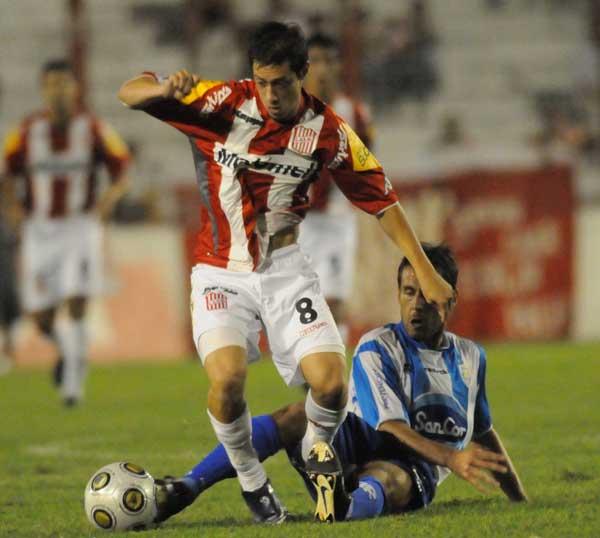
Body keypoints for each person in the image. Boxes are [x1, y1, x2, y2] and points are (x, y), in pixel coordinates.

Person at [118, 21, 454, 524]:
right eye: (262, 82)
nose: (271, 94)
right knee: (228, 380)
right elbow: (129, 92)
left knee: (332, 384)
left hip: (285, 271)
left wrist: (425, 270)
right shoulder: (221, 102)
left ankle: (317, 449)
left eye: (282, 83)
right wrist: (163, 90)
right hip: (220, 272)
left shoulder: (329, 131)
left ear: (303, 74)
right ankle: (253, 482)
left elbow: (383, 201)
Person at [153, 243, 527, 524]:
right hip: (361, 441)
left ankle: (340, 506)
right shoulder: (378, 347)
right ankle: (188, 486)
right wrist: (451, 457)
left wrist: (518, 498)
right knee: (297, 415)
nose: (415, 305)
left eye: (426, 295)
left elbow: (483, 429)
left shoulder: (471, 357)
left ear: (449, 299)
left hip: (416, 467)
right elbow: (389, 426)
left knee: (391, 479)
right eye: (407, 292)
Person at [2, 59, 130, 405]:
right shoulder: (27, 130)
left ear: (75, 88)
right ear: (43, 90)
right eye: (51, 85)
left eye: (63, 84)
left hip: (80, 226)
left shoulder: (94, 128)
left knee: (76, 298)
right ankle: (67, 349)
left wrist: (108, 201)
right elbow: (6, 172)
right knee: (40, 317)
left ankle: (73, 384)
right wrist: (13, 209)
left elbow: (121, 168)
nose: (57, 91)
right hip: (39, 230)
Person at [299, 33, 374, 345]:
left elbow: (368, 163)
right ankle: (309, 365)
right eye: (315, 61)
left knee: (334, 301)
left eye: (329, 60)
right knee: (300, 304)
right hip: (297, 221)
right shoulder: (288, 110)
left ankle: (334, 369)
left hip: (337, 221)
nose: (323, 68)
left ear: (339, 65)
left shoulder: (353, 112)